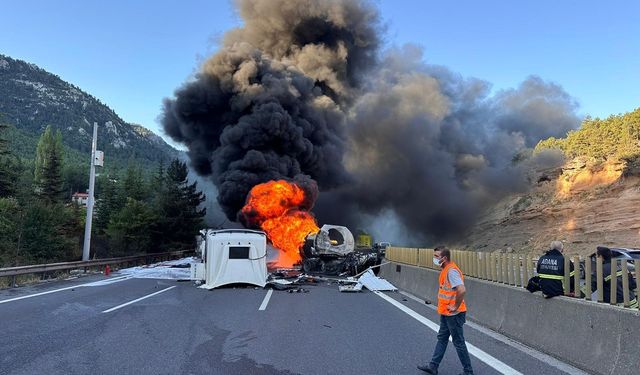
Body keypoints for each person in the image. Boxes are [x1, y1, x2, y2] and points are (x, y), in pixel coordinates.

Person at [418, 246, 474, 375]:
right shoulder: (445, 269)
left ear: (445, 258)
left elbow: (462, 290)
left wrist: (455, 306)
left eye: (437, 256)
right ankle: (433, 366)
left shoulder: (451, 271)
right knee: (442, 338)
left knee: (458, 342)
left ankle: (468, 372)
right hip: (446, 312)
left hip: (454, 314)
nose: (434, 258)